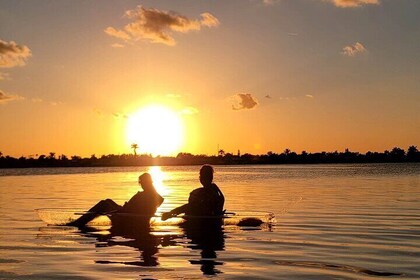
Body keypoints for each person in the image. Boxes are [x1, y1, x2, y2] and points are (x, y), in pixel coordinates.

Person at [68, 173, 163, 227]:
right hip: (127, 213)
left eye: (142, 182)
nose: (141, 184)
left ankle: (79, 223)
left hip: (127, 218)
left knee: (103, 204)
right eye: (140, 182)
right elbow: (159, 201)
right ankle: (80, 221)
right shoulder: (152, 194)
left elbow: (153, 203)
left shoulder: (147, 194)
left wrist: (146, 212)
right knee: (107, 201)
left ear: (147, 182)